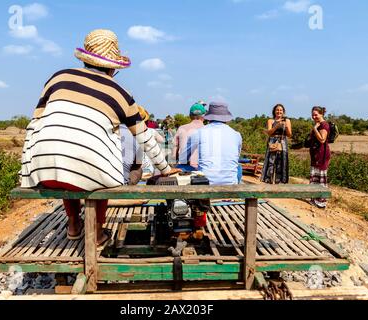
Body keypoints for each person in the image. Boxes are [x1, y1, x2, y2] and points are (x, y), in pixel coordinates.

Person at [20, 29, 180, 244]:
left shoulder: (58, 77)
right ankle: (96, 232)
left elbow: (35, 122)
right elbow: (145, 138)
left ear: (86, 59)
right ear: (114, 67)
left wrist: (28, 171)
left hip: (45, 173)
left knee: (70, 169)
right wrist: (165, 169)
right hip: (93, 178)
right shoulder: (119, 93)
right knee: (100, 166)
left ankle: (74, 223)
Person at [181, 102, 242, 185]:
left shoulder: (198, 133)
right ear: (226, 118)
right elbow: (236, 157)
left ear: (209, 117)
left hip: (206, 182)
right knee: (238, 167)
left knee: (181, 167)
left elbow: (183, 158)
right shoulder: (236, 134)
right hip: (231, 184)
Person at [261, 104, 292, 184]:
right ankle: (268, 181)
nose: (279, 111)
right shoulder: (270, 121)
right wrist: (277, 126)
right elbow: (269, 133)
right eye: (277, 110)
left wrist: (286, 127)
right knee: (270, 162)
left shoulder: (287, 120)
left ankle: (280, 182)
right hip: (272, 141)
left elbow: (289, 134)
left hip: (282, 142)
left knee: (281, 162)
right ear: (274, 111)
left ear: (283, 112)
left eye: (281, 110)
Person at [308, 106, 331, 209]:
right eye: (313, 114)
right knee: (315, 176)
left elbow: (322, 139)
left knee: (321, 176)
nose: (314, 116)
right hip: (316, 154)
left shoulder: (324, 125)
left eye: (316, 114)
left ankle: (321, 202)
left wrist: (314, 128)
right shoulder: (319, 124)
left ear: (321, 114)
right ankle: (314, 199)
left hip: (322, 154)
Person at [173, 103, 207, 171]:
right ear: (204, 116)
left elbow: (174, 150)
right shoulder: (208, 130)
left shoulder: (181, 128)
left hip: (183, 168)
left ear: (190, 116)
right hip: (202, 168)